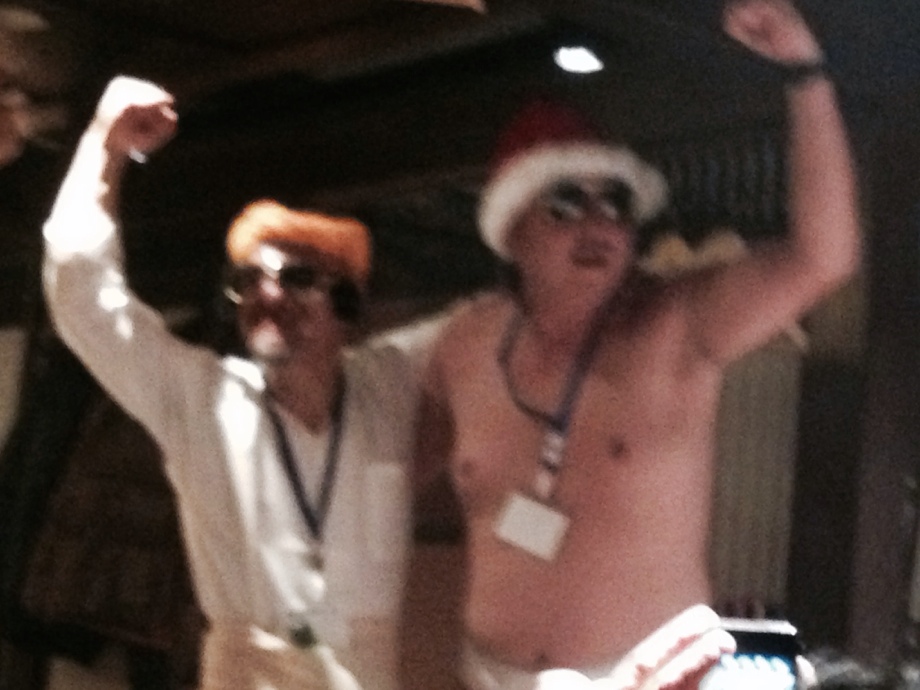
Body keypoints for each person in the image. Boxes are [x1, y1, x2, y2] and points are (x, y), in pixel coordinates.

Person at [413, 0, 861, 687]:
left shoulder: (677, 323)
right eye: (567, 202)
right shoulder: (462, 344)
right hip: (488, 674)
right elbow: (381, 454)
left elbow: (823, 256)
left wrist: (806, 71)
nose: (598, 222)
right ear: (512, 229)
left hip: (646, 677)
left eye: (616, 203)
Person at [42, 75, 448, 690]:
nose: (268, 294)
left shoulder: (390, 382)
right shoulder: (199, 397)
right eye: (248, 281)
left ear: (347, 303)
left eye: (297, 278)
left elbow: (497, 324)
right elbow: (82, 296)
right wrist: (105, 144)